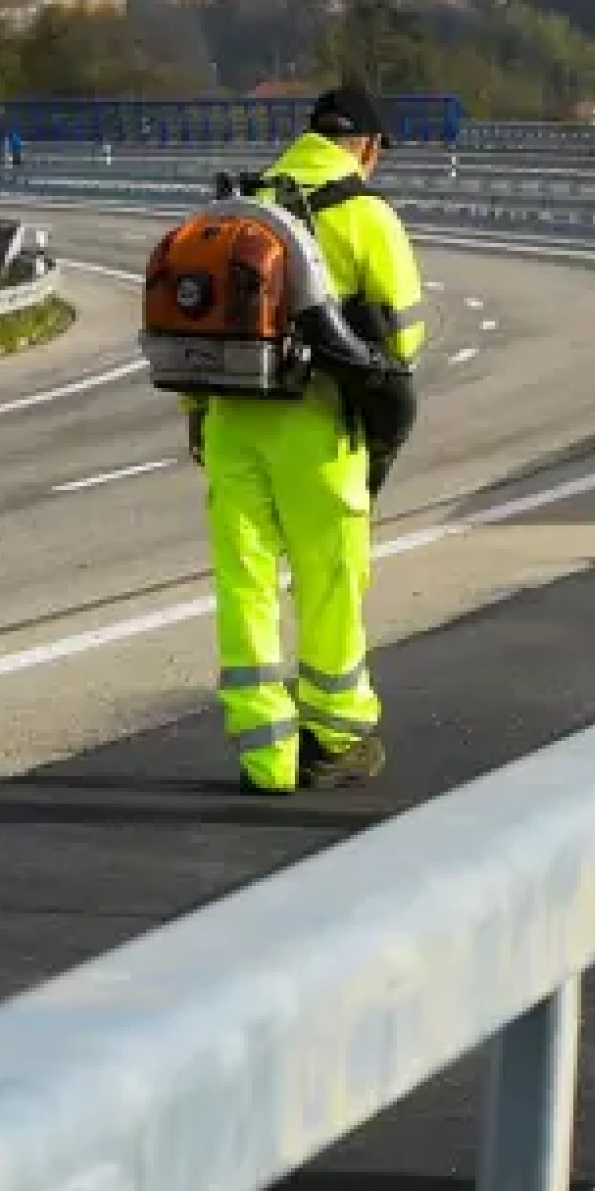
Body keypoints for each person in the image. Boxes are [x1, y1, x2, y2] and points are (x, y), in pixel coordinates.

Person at [190, 85, 429, 795]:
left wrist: (200, 415)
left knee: (246, 586)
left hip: (231, 422)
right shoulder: (364, 213)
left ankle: (265, 758)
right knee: (329, 585)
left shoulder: (244, 207)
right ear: (368, 147)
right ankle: (337, 739)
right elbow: (404, 336)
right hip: (318, 429)